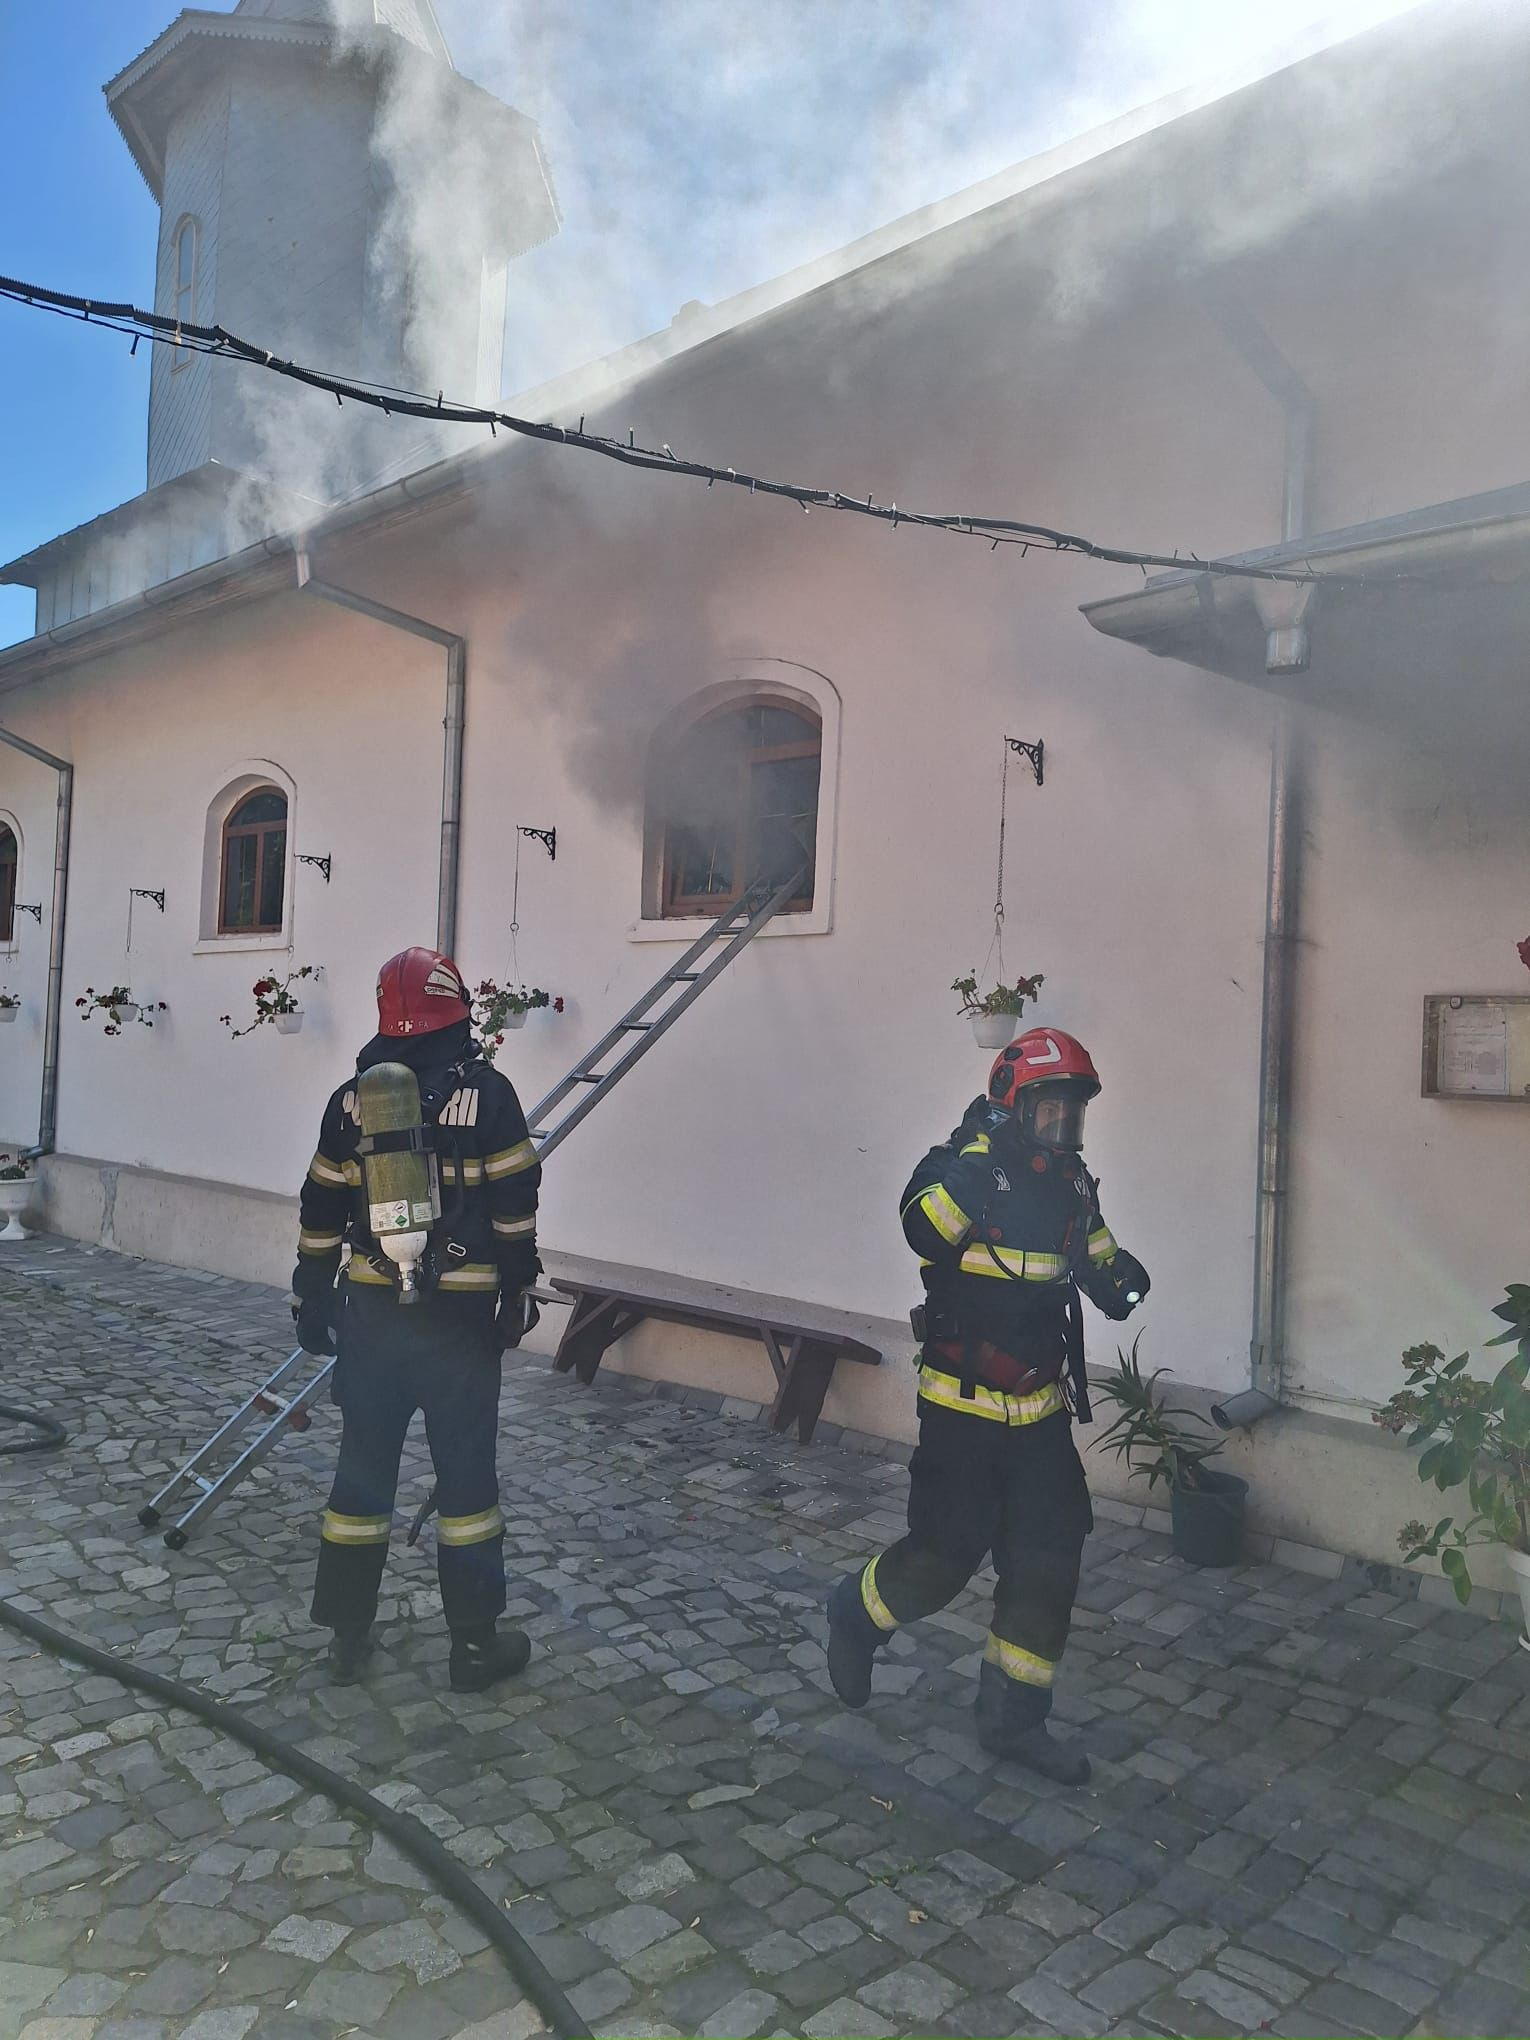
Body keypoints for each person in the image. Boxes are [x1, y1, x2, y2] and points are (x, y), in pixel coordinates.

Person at [825, 1028, 1149, 1784]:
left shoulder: (1072, 1185)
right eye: (1050, 1110)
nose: (1064, 1126)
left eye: (1073, 1113)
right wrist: (987, 1159)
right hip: (961, 1416)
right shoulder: (958, 1167)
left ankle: (1012, 1721)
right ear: (1012, 1105)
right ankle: (855, 1613)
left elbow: (1101, 1262)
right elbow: (922, 1228)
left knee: (1047, 1565)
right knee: (941, 1561)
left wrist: (1124, 1280)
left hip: (1039, 1419)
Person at [292, 947, 542, 1690]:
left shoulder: (352, 1101)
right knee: (466, 1485)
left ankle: (347, 1639)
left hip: (371, 1316)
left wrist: (310, 1293)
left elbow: (320, 1205)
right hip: (458, 1326)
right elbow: (514, 1204)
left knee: (361, 1477)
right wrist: (517, 1289)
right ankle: (473, 1649)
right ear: (455, 1010)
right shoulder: (489, 1094)